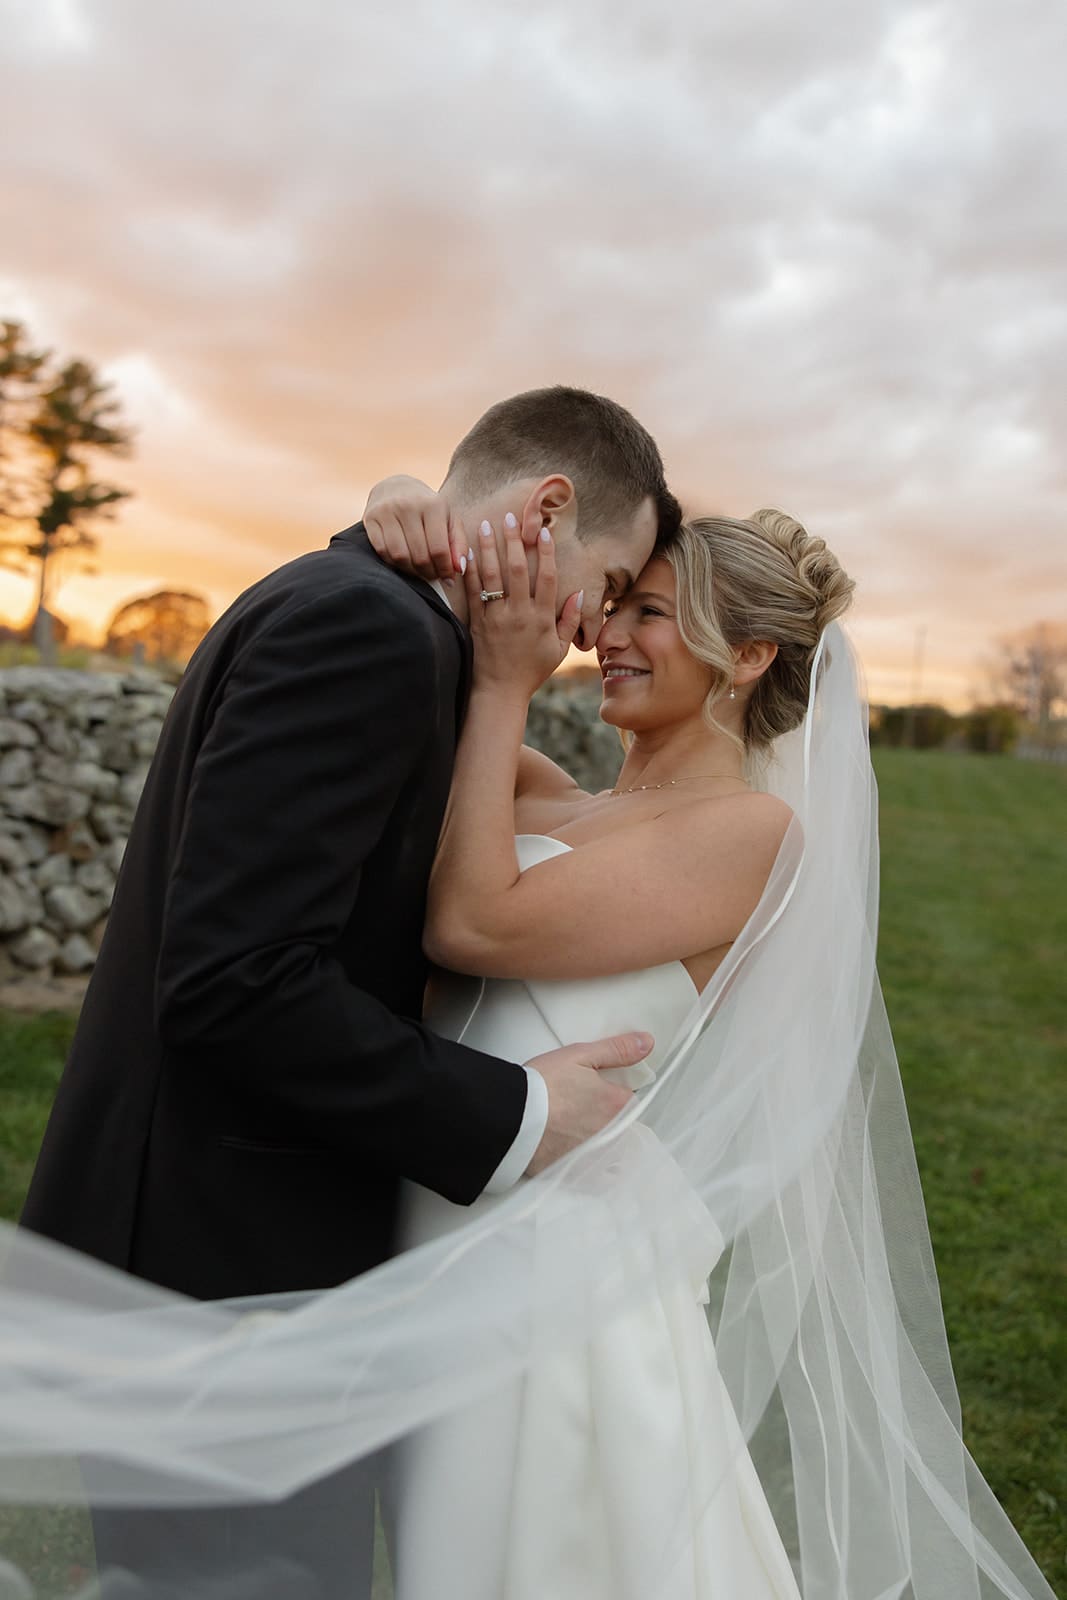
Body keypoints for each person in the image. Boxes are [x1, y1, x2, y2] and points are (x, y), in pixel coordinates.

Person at [16, 385, 682, 1599]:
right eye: (613, 575)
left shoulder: (379, 612)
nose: (593, 628)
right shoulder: (366, 630)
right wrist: (517, 1114)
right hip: (215, 1271)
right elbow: (233, 981)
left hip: (235, 1259)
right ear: (547, 506)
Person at [363, 487, 853, 1597]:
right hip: (444, 1245)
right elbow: (432, 687)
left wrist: (502, 687)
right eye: (616, 601)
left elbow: (472, 921)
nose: (606, 634)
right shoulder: (560, 800)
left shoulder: (751, 832)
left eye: (651, 613)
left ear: (746, 659)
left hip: (553, 1294)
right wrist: (412, 515)